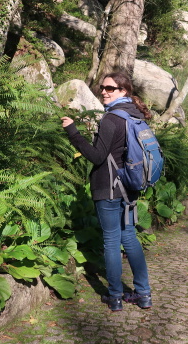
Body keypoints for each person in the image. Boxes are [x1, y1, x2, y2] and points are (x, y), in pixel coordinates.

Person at [60, 72, 152, 312]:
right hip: (129, 186)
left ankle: (115, 297)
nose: (104, 91)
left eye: (110, 88)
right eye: (102, 87)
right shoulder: (135, 116)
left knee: (112, 241)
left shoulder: (111, 119)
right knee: (129, 237)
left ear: (123, 91)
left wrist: (73, 131)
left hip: (108, 186)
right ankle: (144, 294)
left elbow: (97, 156)